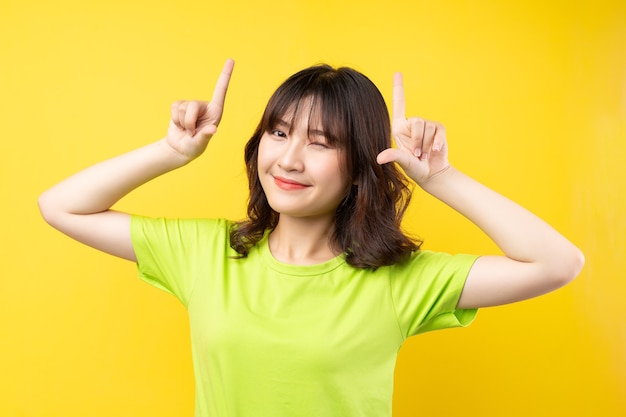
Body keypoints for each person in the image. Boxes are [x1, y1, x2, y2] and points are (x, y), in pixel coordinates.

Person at [38, 59, 584, 417]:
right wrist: (171, 153)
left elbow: (557, 263)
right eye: (279, 133)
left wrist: (442, 178)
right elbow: (60, 206)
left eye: (320, 142)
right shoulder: (208, 254)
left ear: (360, 166)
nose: (289, 159)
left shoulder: (400, 282)